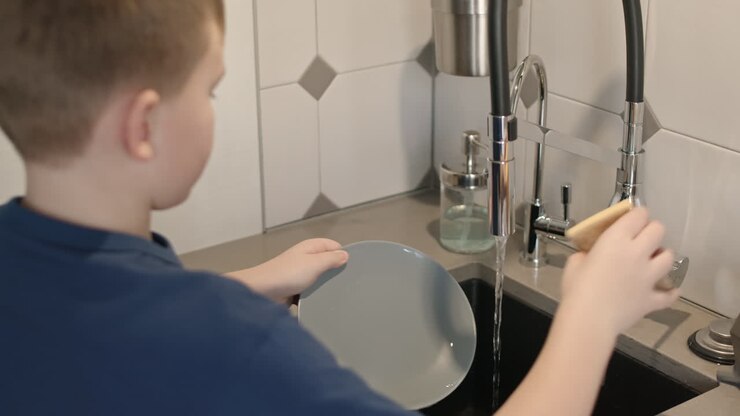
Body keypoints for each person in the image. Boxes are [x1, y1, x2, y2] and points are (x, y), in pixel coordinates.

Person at [0, 1, 678, 415]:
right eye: (209, 90)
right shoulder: (235, 344)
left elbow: (107, 318)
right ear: (142, 127)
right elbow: (188, 340)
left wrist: (239, 285)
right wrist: (592, 318)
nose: (212, 110)